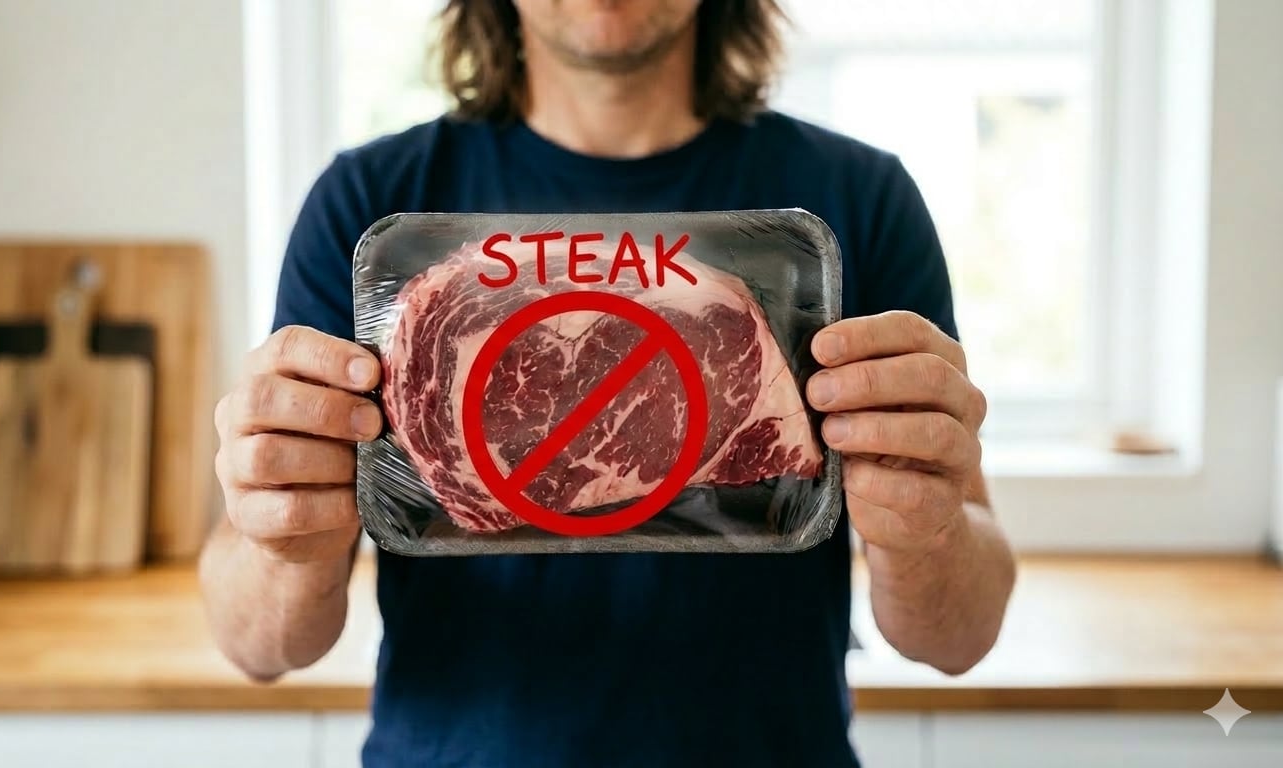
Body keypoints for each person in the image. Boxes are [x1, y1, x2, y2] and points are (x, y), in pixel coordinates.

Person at [200, 0, 1017, 765]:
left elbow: (958, 637)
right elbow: (260, 644)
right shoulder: (371, 208)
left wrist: (928, 530)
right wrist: (283, 540)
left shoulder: (858, 204)